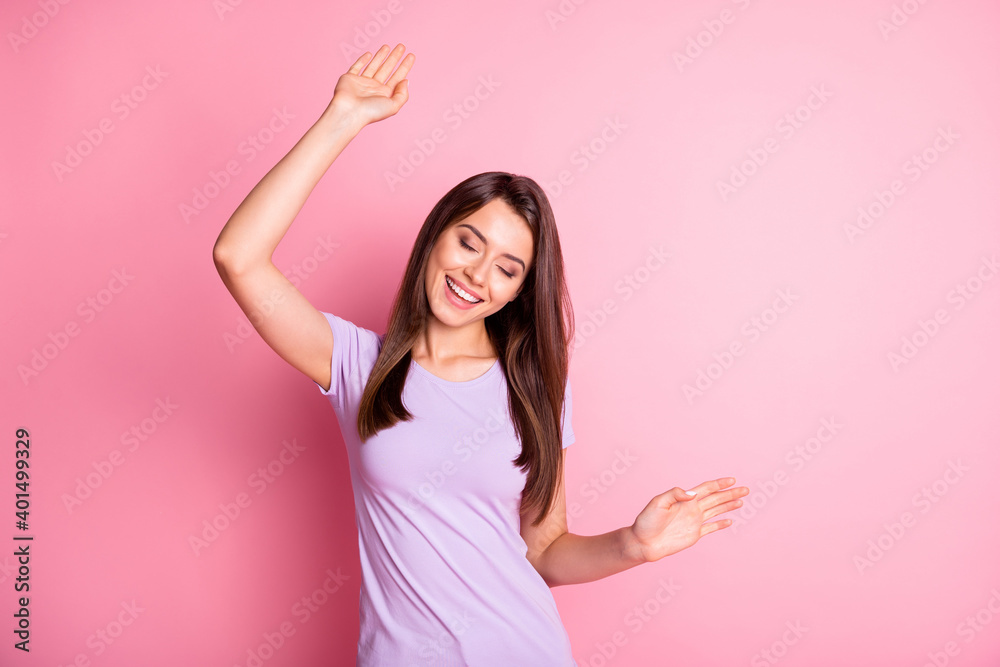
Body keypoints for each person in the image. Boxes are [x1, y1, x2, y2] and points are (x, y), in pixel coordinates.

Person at [213, 42, 749, 666]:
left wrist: (632, 544)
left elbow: (544, 552)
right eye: (469, 242)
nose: (477, 275)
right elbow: (238, 256)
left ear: (520, 289)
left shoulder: (535, 388)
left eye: (507, 268)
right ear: (437, 234)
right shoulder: (356, 363)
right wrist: (344, 117)